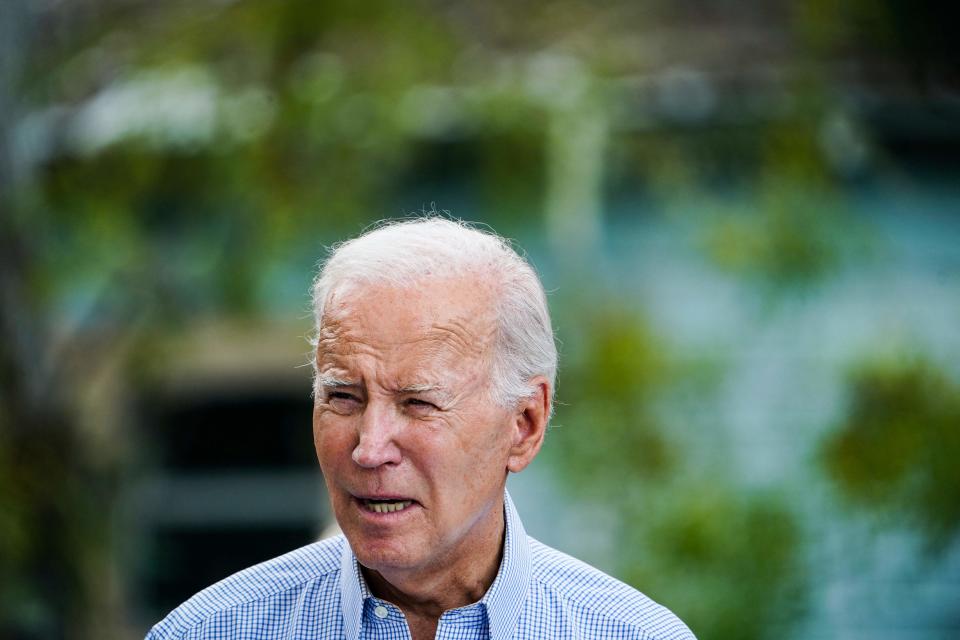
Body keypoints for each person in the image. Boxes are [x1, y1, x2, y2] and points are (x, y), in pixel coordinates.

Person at [146, 217, 695, 640]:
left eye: (417, 403)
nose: (369, 447)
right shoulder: (211, 630)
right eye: (343, 396)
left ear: (524, 425)